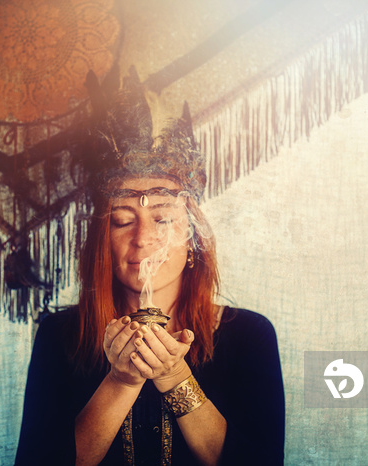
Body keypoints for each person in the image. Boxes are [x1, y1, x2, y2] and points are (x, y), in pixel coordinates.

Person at [15, 73, 284, 465]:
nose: (142, 239)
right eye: (123, 221)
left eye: (162, 220)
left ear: (192, 242)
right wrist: (121, 380)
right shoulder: (61, 337)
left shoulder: (247, 336)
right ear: (101, 242)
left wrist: (175, 378)